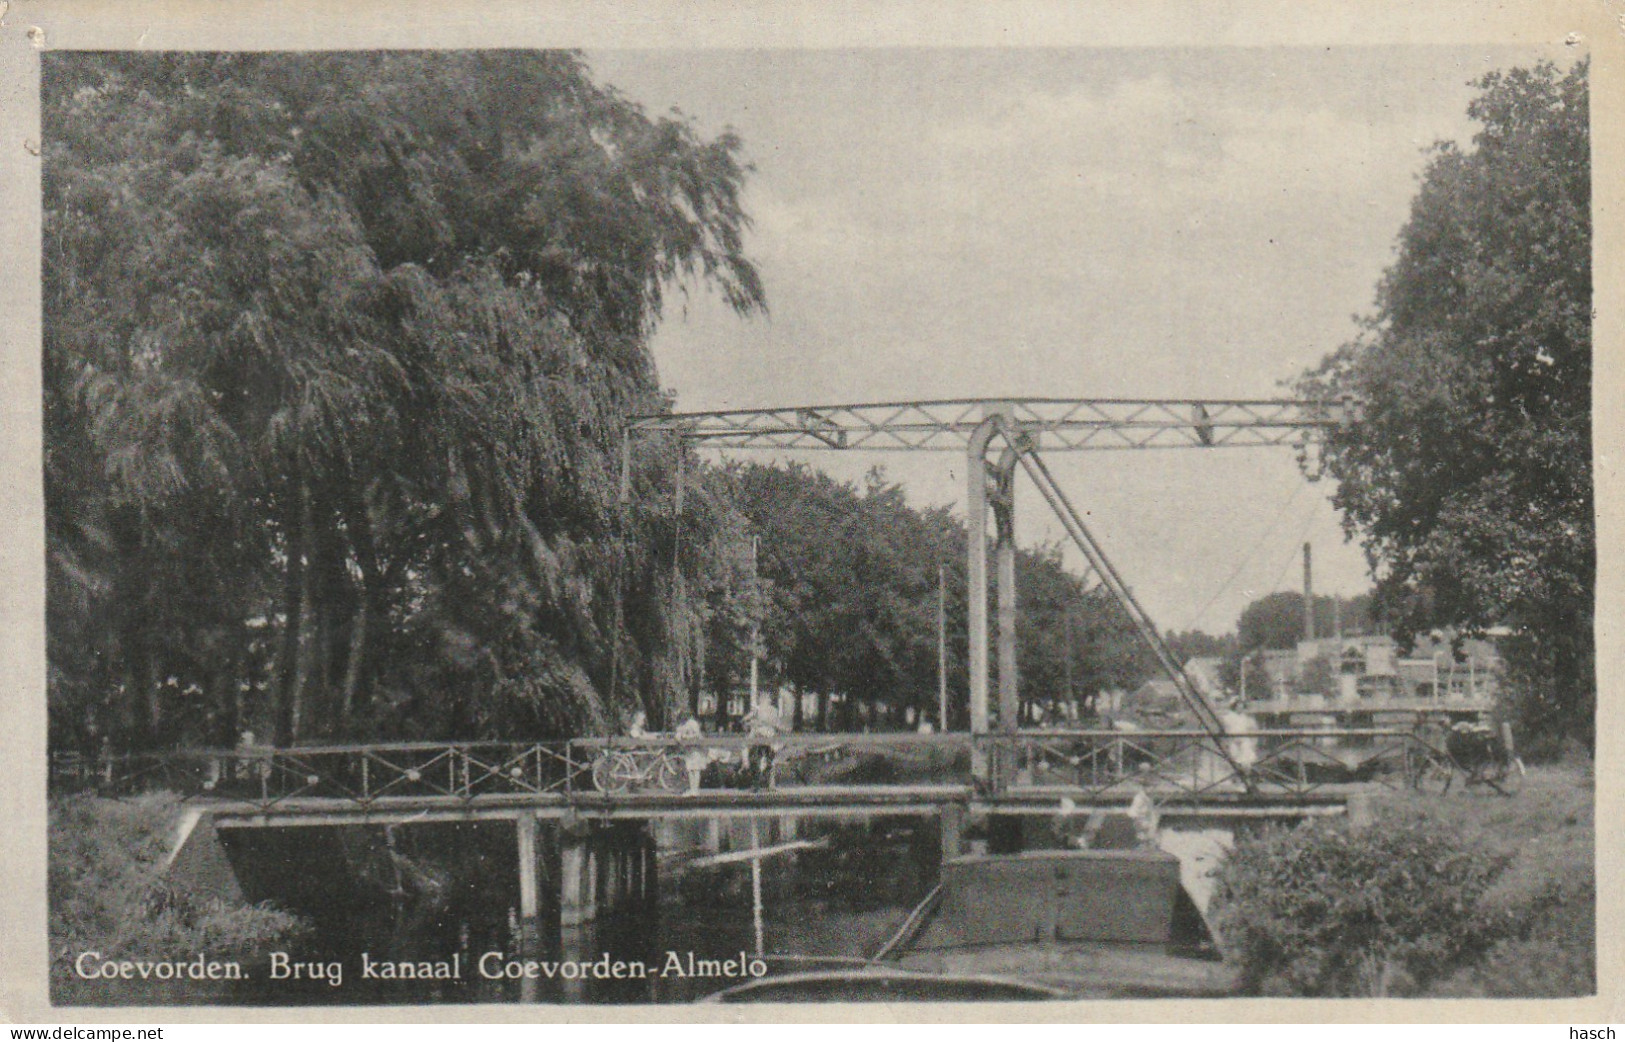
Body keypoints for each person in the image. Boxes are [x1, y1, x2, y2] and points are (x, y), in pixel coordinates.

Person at [742, 698, 781, 791]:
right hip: (770, 738)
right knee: (770, 761)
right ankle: (770, 785)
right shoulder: (774, 711)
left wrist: (752, 723)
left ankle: (757, 785)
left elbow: (744, 719)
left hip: (759, 737)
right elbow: (777, 725)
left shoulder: (758, 709)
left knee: (757, 760)